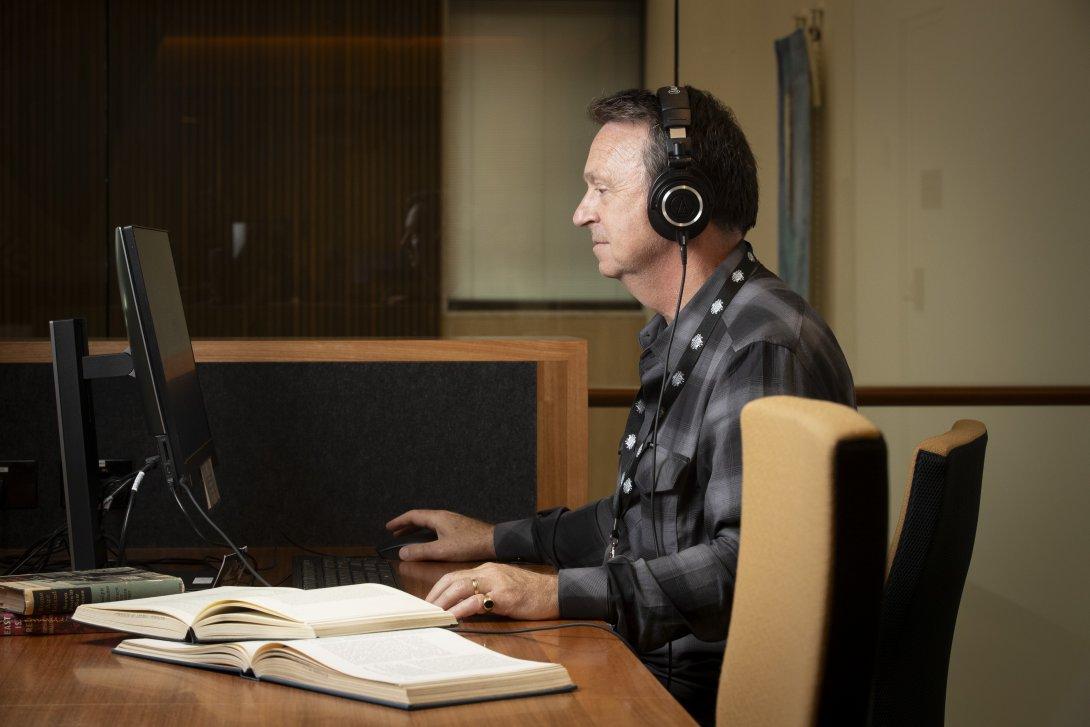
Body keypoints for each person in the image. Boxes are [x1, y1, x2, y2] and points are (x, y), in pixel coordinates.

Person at [386, 86, 854, 724]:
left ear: (679, 206)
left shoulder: (759, 348)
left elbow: (752, 566)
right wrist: (496, 538)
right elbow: (642, 520)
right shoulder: (690, 331)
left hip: (689, 700)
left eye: (602, 190)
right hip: (653, 666)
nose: (581, 213)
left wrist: (555, 592)